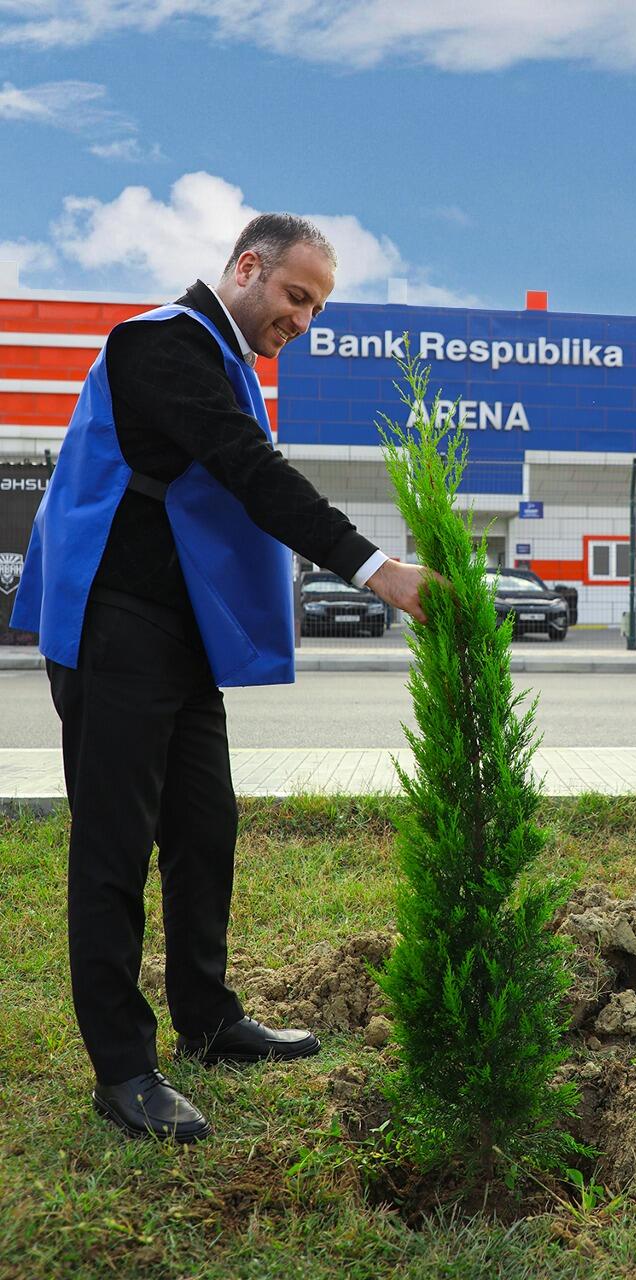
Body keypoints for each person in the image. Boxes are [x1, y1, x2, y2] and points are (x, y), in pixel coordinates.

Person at [12, 213, 432, 1141]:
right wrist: (375, 568)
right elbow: (248, 471)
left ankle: (206, 1020)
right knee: (114, 847)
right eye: (295, 296)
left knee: (205, 826)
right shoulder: (161, 343)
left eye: (316, 307)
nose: (303, 321)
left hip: (178, 634)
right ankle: (123, 1070)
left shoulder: (225, 359)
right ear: (247, 267)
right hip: (114, 624)